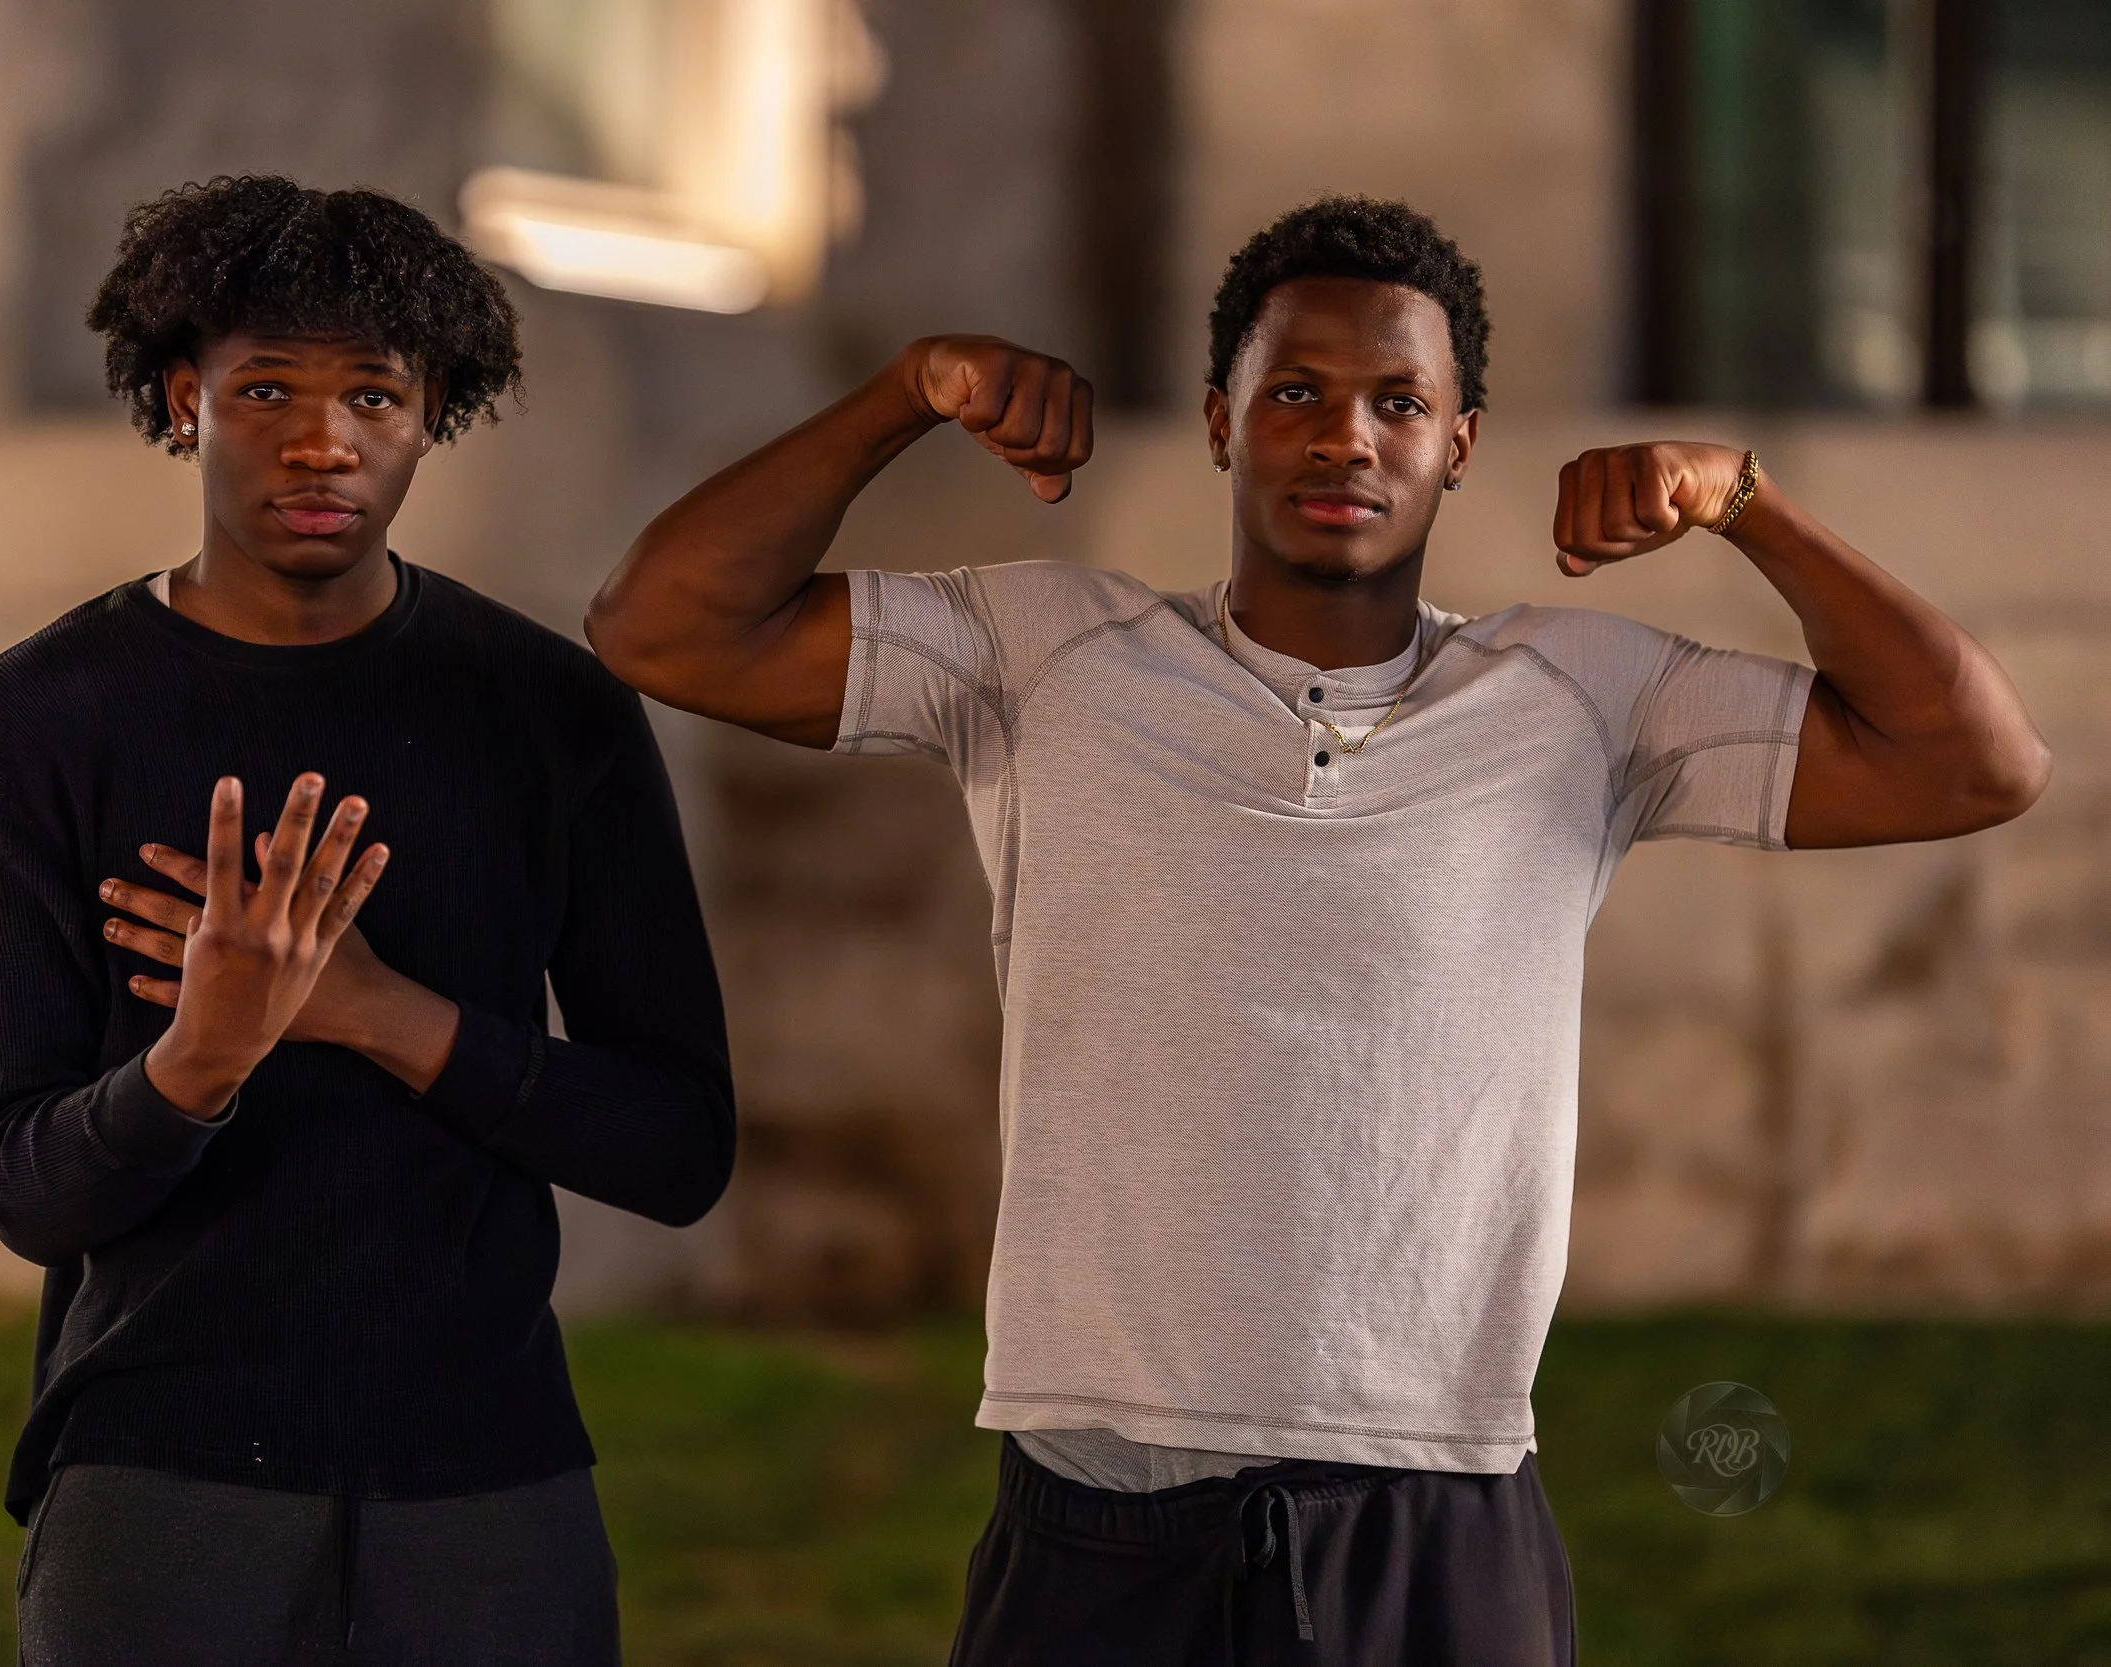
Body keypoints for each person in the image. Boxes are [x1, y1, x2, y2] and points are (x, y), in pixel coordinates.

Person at [584, 197, 2050, 1663]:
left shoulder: (1581, 696)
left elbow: (1975, 760)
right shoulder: (1044, 658)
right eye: (1294, 392)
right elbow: (662, 625)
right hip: (1105, 1495)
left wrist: (1749, 503)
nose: (1343, 436)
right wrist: (902, 398)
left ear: (1456, 445)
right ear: (1224, 423)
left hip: (1439, 1495)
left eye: (1395, 402)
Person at [0, 175, 733, 1667]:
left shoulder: (549, 715)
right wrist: (200, 1060)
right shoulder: (30, 727)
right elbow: (27, 1188)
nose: (324, 439)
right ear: (184, 400)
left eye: (375, 392)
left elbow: (680, 1147)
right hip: (160, 1485)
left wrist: (381, 1014)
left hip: (487, 1490)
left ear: (436, 414)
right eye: (268, 389)